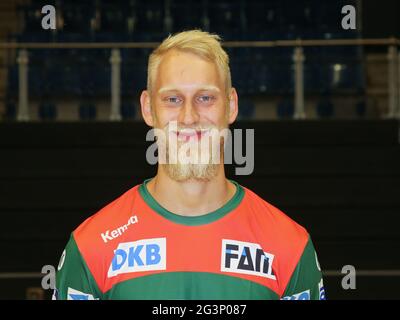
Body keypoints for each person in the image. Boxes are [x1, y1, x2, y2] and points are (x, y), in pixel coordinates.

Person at [54, 30, 325, 300]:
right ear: (148, 108)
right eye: (173, 99)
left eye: (205, 98)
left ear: (231, 106)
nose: (189, 116)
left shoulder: (289, 245)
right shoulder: (91, 247)